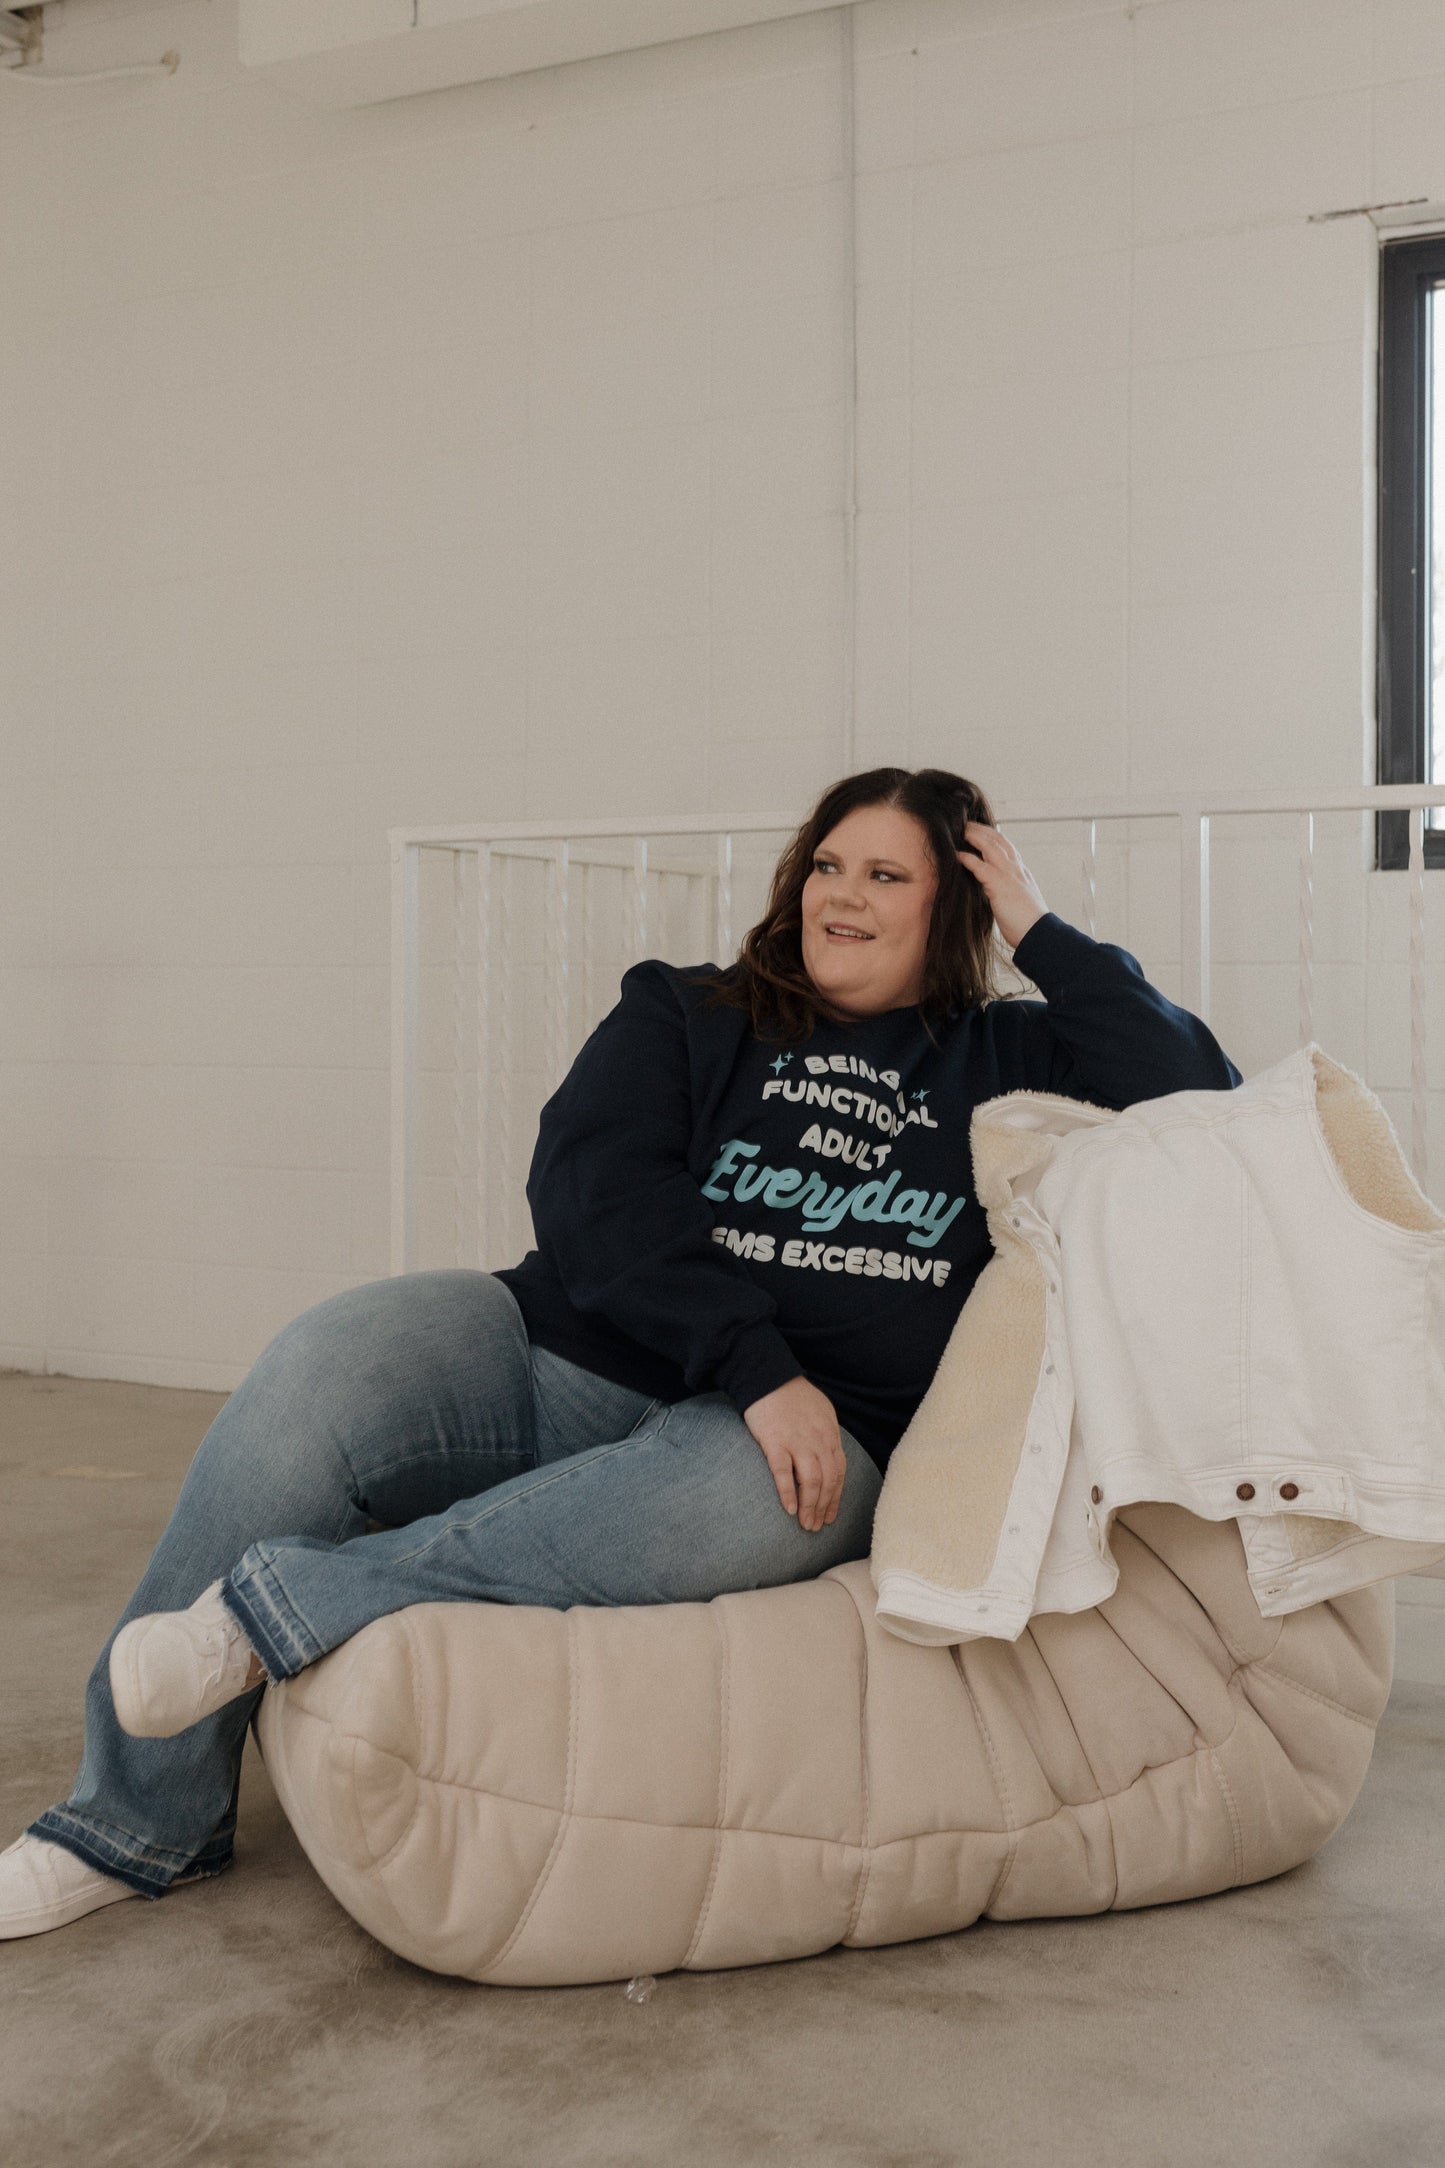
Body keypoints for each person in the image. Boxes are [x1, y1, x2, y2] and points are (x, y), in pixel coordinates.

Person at [0, 766, 1243, 1940]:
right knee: (323, 1363)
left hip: (802, 1437)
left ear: (953, 903)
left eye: (885, 875)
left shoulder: (1003, 1051)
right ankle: (133, 1823)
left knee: (749, 1501)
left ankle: (261, 1613)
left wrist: (1035, 924)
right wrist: (753, 1360)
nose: (841, 895)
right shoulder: (688, 1007)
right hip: (567, 1353)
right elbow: (591, 1188)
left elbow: (1195, 1091)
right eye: (826, 864)